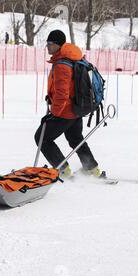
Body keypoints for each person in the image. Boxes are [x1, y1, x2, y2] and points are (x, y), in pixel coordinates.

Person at [34, 30, 100, 178]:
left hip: (65, 111)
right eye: (47, 43)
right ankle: (91, 169)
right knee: (75, 138)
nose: (48, 47)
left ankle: (62, 170)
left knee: (41, 138)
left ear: (58, 45)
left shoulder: (62, 64)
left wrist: (54, 114)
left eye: (50, 44)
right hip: (76, 109)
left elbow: (62, 94)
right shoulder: (73, 58)